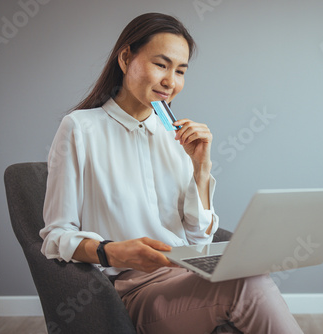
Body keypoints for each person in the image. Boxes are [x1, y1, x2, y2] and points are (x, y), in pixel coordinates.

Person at [40, 12, 303, 334]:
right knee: (248, 284)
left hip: (190, 274)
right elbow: (55, 236)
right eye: (161, 65)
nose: (171, 81)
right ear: (125, 58)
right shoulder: (80, 128)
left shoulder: (177, 137)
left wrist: (201, 168)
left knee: (251, 277)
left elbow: (199, 238)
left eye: (180, 70)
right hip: (134, 289)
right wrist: (111, 251)